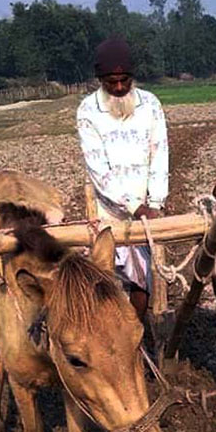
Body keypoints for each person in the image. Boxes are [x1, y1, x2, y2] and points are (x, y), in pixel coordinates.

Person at [76, 36, 169, 320]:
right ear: (100, 80)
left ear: (132, 77)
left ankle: (135, 331)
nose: (118, 88)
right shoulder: (88, 111)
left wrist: (155, 203)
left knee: (143, 281)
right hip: (108, 211)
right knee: (107, 282)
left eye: (124, 80)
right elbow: (99, 170)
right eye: (111, 82)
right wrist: (134, 207)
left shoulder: (150, 105)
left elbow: (160, 153)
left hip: (146, 210)